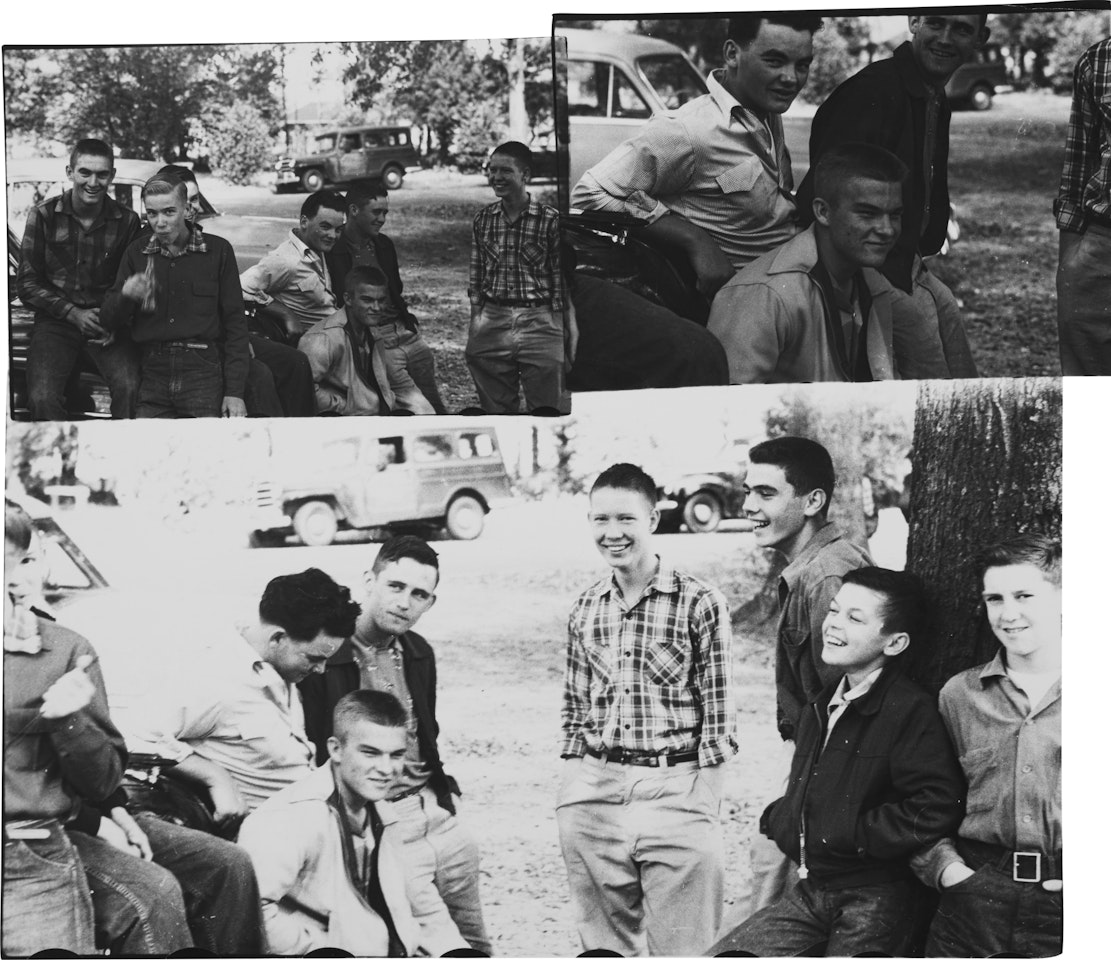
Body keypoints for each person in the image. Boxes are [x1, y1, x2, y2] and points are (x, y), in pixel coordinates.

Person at [710, 568, 965, 956]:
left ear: (894, 643)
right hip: (816, 888)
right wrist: (783, 818)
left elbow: (936, 804)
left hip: (877, 896)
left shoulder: (909, 710)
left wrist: (850, 834)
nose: (833, 625)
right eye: (833, 611)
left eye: (854, 618)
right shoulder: (822, 704)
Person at [557, 463, 736, 956]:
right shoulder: (585, 607)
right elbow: (575, 709)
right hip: (596, 791)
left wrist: (702, 803)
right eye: (600, 520)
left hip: (675, 789)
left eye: (625, 519)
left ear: (653, 519)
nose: (612, 533)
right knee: (604, 949)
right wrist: (574, 791)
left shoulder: (700, 602)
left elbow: (720, 717)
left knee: (684, 948)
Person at [3, 500, 191, 956]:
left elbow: (103, 780)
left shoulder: (64, 651)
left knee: (156, 893)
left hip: (26, 842)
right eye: (1, 564)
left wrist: (68, 721)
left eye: (27, 560)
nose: (18, 579)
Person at [299, 535, 491, 954]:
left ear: (431, 602)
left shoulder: (419, 651)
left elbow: (427, 733)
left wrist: (444, 795)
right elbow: (318, 747)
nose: (405, 602)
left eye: (419, 594)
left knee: (476, 939)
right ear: (370, 581)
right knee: (432, 942)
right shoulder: (328, 656)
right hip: (383, 818)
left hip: (434, 810)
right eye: (395, 586)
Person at [796, 13, 990, 379]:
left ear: (982, 37)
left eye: (962, 29)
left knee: (951, 329)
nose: (945, 38)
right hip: (867, 269)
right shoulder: (874, 90)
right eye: (936, 23)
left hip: (905, 260)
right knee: (931, 377)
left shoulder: (932, 93)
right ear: (914, 21)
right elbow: (825, 201)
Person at [572, 15, 823, 297]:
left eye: (802, 65)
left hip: (794, 281)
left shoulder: (766, 110)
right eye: (774, 61)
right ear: (732, 54)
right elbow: (589, 194)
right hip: (746, 301)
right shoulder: (688, 130)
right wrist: (693, 239)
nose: (791, 78)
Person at [734, 437, 874, 918]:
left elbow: (849, 703)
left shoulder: (828, 579)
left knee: (771, 908)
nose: (749, 505)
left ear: (813, 501)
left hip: (826, 770)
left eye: (766, 494)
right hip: (811, 760)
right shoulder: (808, 569)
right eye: (748, 491)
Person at [912, 534, 1062, 957]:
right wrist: (949, 872)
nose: (1008, 613)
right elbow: (923, 799)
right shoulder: (960, 695)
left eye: (1024, 595)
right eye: (995, 599)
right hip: (976, 897)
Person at [238, 689, 469, 957]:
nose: (386, 769)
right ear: (335, 749)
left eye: (396, 755)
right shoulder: (292, 817)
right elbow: (251, 913)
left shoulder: (382, 813)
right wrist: (320, 949)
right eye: (370, 753)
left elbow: (421, 906)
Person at [122, 568, 359, 828]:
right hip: (267, 836)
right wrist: (214, 776)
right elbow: (132, 734)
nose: (321, 670)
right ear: (277, 638)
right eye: (314, 658)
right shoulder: (215, 677)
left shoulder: (280, 667)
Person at [707, 142, 903, 383]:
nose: (887, 229)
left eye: (894, 215)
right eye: (867, 214)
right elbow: (727, 408)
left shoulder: (873, 283)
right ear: (823, 212)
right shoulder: (765, 295)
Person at [156, 163, 316, 417]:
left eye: (196, 199)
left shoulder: (212, 247)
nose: (194, 207)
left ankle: (302, 442)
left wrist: (239, 342)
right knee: (258, 377)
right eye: (186, 200)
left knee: (295, 362)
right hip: (194, 349)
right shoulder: (150, 248)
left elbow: (232, 303)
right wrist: (235, 349)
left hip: (227, 338)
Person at [99, 175, 249, 418]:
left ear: (187, 209)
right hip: (152, 370)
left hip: (202, 370)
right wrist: (125, 295)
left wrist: (235, 392)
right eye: (152, 213)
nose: (159, 222)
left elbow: (236, 325)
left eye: (169, 212)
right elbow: (107, 321)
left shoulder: (218, 251)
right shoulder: (136, 253)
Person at [16, 138, 141, 420]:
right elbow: (27, 283)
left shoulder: (127, 221)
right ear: (70, 172)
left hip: (105, 324)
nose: (93, 182)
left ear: (112, 175)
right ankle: (61, 463)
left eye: (102, 174)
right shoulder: (44, 215)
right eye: (85, 172)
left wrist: (115, 319)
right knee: (41, 397)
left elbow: (128, 282)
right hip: (56, 323)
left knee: (131, 388)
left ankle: (122, 461)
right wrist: (72, 313)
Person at [467, 140, 575, 414]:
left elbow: (558, 279)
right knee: (497, 410)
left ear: (525, 175)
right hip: (493, 319)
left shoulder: (549, 220)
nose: (496, 177)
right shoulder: (484, 220)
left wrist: (563, 325)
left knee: (546, 410)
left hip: (539, 320)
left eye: (505, 170)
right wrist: (476, 324)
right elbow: (477, 277)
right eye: (491, 170)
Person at [326, 181, 448, 413]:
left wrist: (408, 324)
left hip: (405, 332)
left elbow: (395, 289)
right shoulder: (335, 249)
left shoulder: (383, 244)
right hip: (378, 341)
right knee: (420, 409)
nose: (382, 219)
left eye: (385, 212)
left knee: (436, 403)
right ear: (353, 211)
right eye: (376, 212)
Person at [298, 266, 436, 416]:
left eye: (381, 300)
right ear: (348, 299)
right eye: (367, 300)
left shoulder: (372, 330)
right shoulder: (323, 338)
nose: (376, 308)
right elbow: (303, 389)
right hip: (343, 422)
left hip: (372, 415)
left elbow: (386, 383)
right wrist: (345, 407)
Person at [1055, 37, 1111, 375]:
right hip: (1102, 245)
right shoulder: (1099, 59)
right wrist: (1071, 266)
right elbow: (1078, 164)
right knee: (1090, 395)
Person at [240, 191, 346, 338]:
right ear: (304, 222)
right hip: (316, 344)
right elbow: (239, 287)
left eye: (338, 229)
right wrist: (286, 314)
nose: (333, 236)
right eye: (325, 227)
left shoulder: (322, 250)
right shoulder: (286, 260)